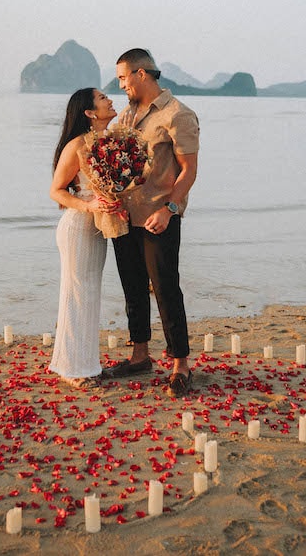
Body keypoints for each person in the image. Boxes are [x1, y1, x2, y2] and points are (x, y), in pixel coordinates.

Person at [108, 48, 200, 397]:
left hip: (159, 217)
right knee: (132, 286)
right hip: (124, 215)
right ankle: (140, 355)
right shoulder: (126, 118)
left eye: (123, 78)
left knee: (164, 287)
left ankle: (181, 364)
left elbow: (189, 171)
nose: (121, 85)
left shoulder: (179, 115)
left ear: (141, 74)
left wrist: (170, 209)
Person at [49, 87, 117, 389]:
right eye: (103, 98)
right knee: (76, 293)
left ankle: (87, 363)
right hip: (77, 225)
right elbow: (57, 191)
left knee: (90, 293)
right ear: (90, 113)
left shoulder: (110, 143)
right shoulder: (77, 145)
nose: (110, 100)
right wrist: (89, 204)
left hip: (98, 227)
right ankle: (72, 367)